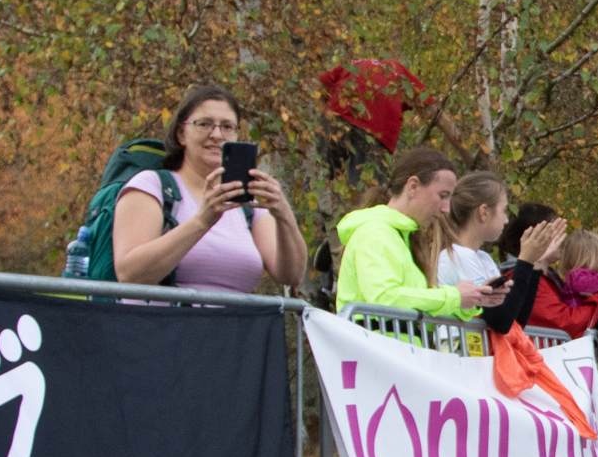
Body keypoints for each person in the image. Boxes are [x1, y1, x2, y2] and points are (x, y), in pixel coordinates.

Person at [110, 84, 308, 294]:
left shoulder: (247, 205)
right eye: (204, 124)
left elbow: (291, 275)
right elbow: (130, 275)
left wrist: (284, 214)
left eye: (227, 126)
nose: (216, 134)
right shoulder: (152, 186)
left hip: (235, 316)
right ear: (181, 134)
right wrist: (202, 221)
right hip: (162, 315)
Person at [334, 145, 496, 314]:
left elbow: (419, 310)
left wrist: (473, 300)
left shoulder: (401, 237)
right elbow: (384, 298)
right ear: (412, 186)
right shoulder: (375, 232)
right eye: (442, 196)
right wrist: (454, 297)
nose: (446, 209)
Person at [431, 171, 511, 291]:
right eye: (504, 210)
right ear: (484, 212)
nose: (506, 220)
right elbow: (485, 303)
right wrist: (526, 261)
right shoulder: (457, 256)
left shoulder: (483, 257)